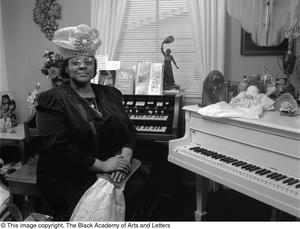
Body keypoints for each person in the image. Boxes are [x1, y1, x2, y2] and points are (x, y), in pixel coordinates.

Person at [36, 24, 137, 220]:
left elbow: (129, 132)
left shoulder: (111, 94)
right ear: (66, 67)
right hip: (68, 173)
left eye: (88, 62)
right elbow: (58, 147)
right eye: (75, 62)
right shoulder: (51, 99)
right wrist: (103, 166)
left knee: (137, 186)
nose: (82, 66)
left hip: (112, 164)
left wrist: (122, 161)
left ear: (94, 67)